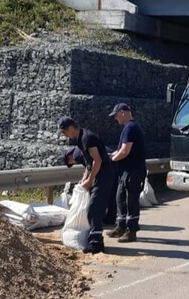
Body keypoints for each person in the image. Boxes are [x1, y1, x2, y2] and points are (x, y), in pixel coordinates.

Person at [58, 117, 117, 254]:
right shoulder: (80, 140)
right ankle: (94, 239)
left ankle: (97, 242)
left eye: (65, 132)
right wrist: (85, 178)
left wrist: (90, 180)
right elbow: (88, 163)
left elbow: (97, 160)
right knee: (93, 207)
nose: (65, 135)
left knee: (94, 207)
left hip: (105, 173)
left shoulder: (87, 138)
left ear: (71, 128)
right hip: (100, 173)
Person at [107, 103, 146, 243]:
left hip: (133, 171)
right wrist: (111, 156)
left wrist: (112, 160)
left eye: (116, 115)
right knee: (120, 198)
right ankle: (121, 226)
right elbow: (120, 150)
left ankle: (131, 231)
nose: (115, 119)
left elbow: (125, 151)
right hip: (127, 171)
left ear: (123, 112)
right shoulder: (129, 128)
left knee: (131, 201)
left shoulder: (130, 128)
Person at [62, 147, 119, 225]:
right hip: (113, 164)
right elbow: (88, 166)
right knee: (112, 193)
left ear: (69, 156)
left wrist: (89, 179)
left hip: (106, 167)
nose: (74, 163)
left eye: (71, 162)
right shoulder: (81, 150)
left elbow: (91, 165)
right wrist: (84, 178)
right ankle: (111, 218)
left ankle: (96, 220)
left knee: (100, 195)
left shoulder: (76, 155)